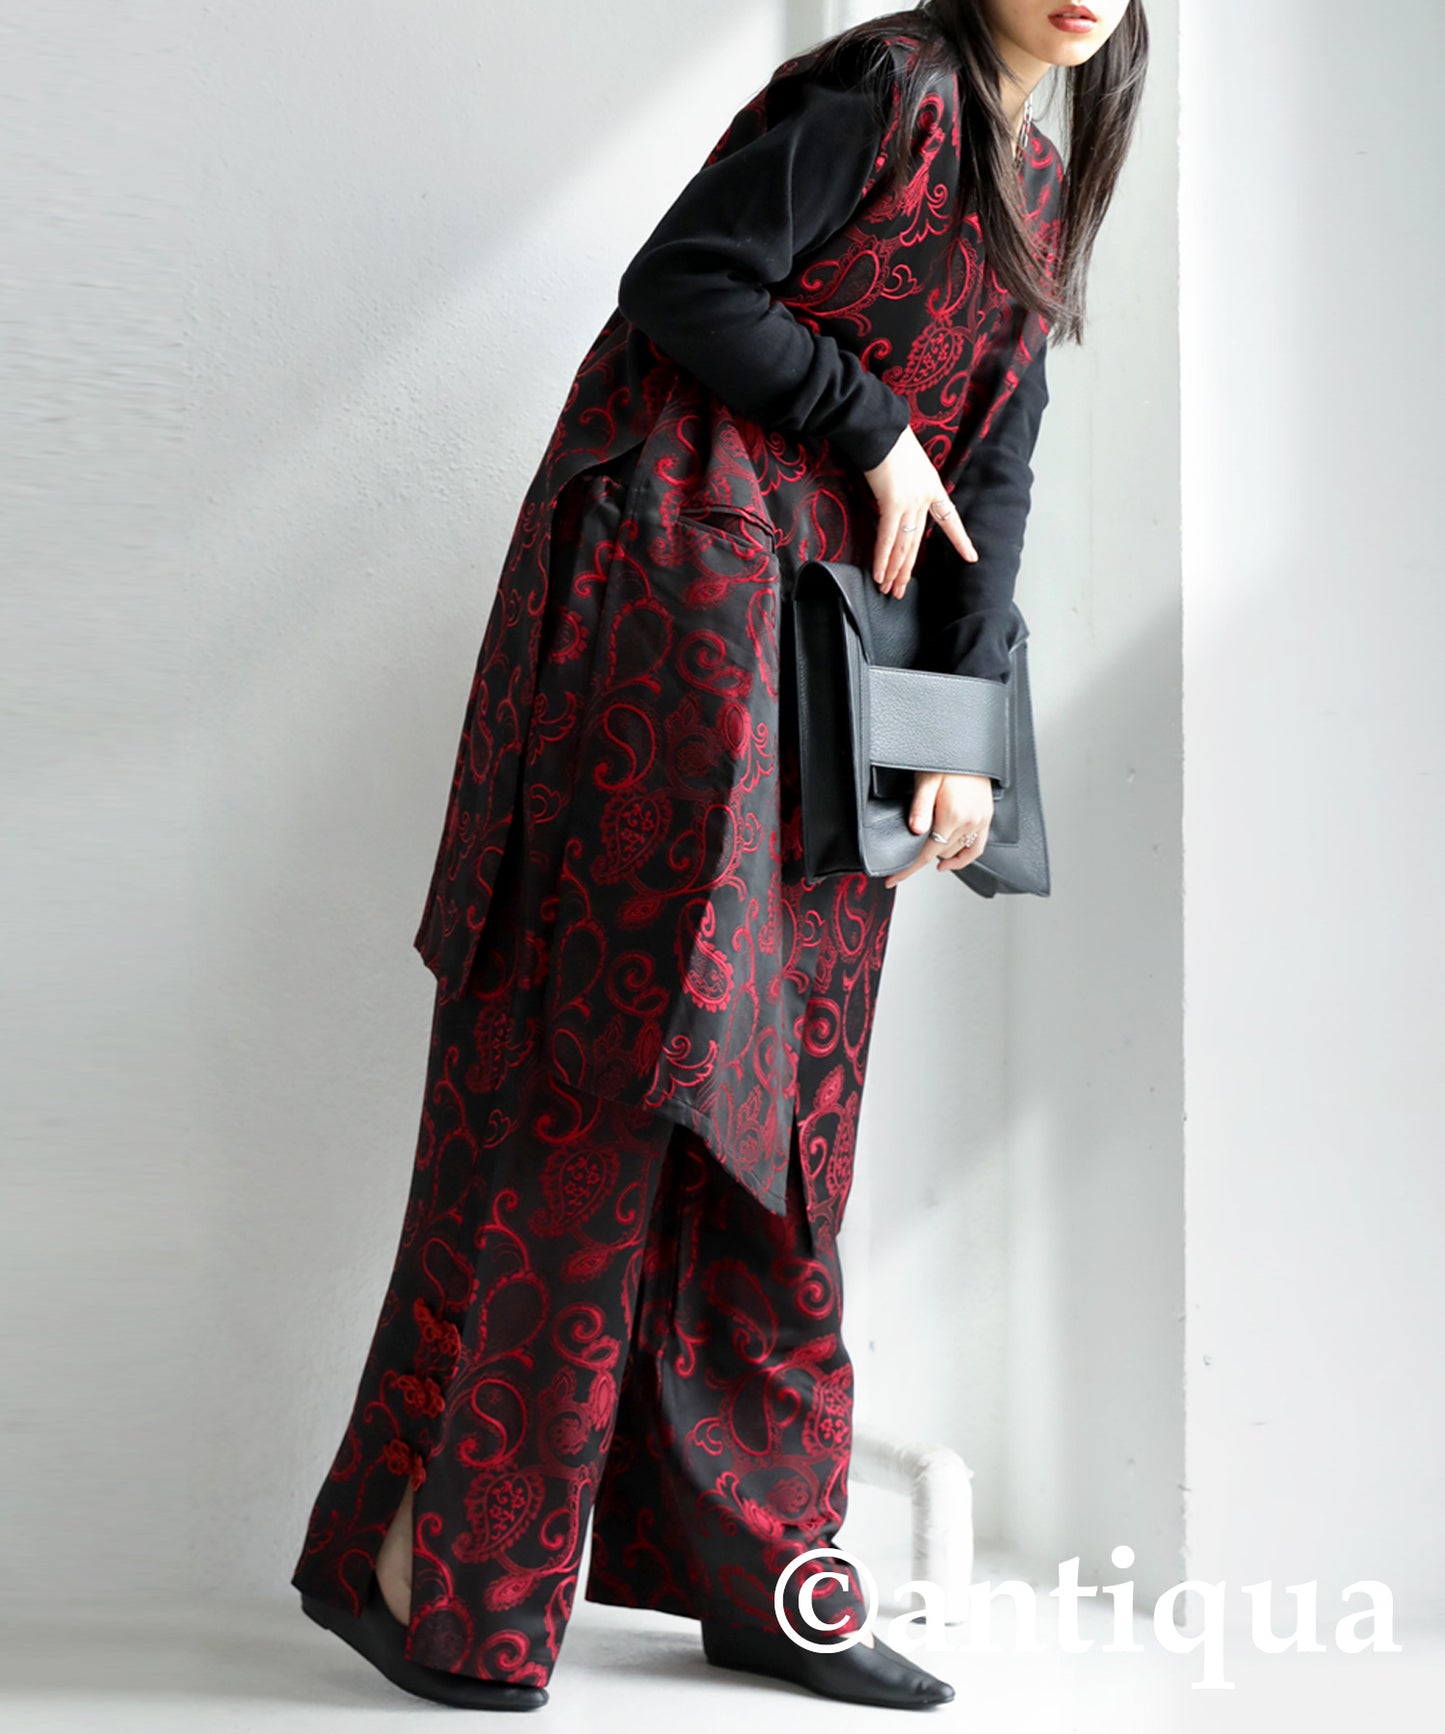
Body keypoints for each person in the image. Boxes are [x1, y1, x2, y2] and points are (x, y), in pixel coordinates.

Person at [290, 0, 1146, 1713]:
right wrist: (871, 424)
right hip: (673, 598)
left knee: (789, 1118)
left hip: (828, 665)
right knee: (613, 1071)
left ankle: (765, 1576)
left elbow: (995, 470)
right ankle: (434, 1564)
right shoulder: (880, 87)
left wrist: (961, 725)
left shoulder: (1039, 183)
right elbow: (684, 279)